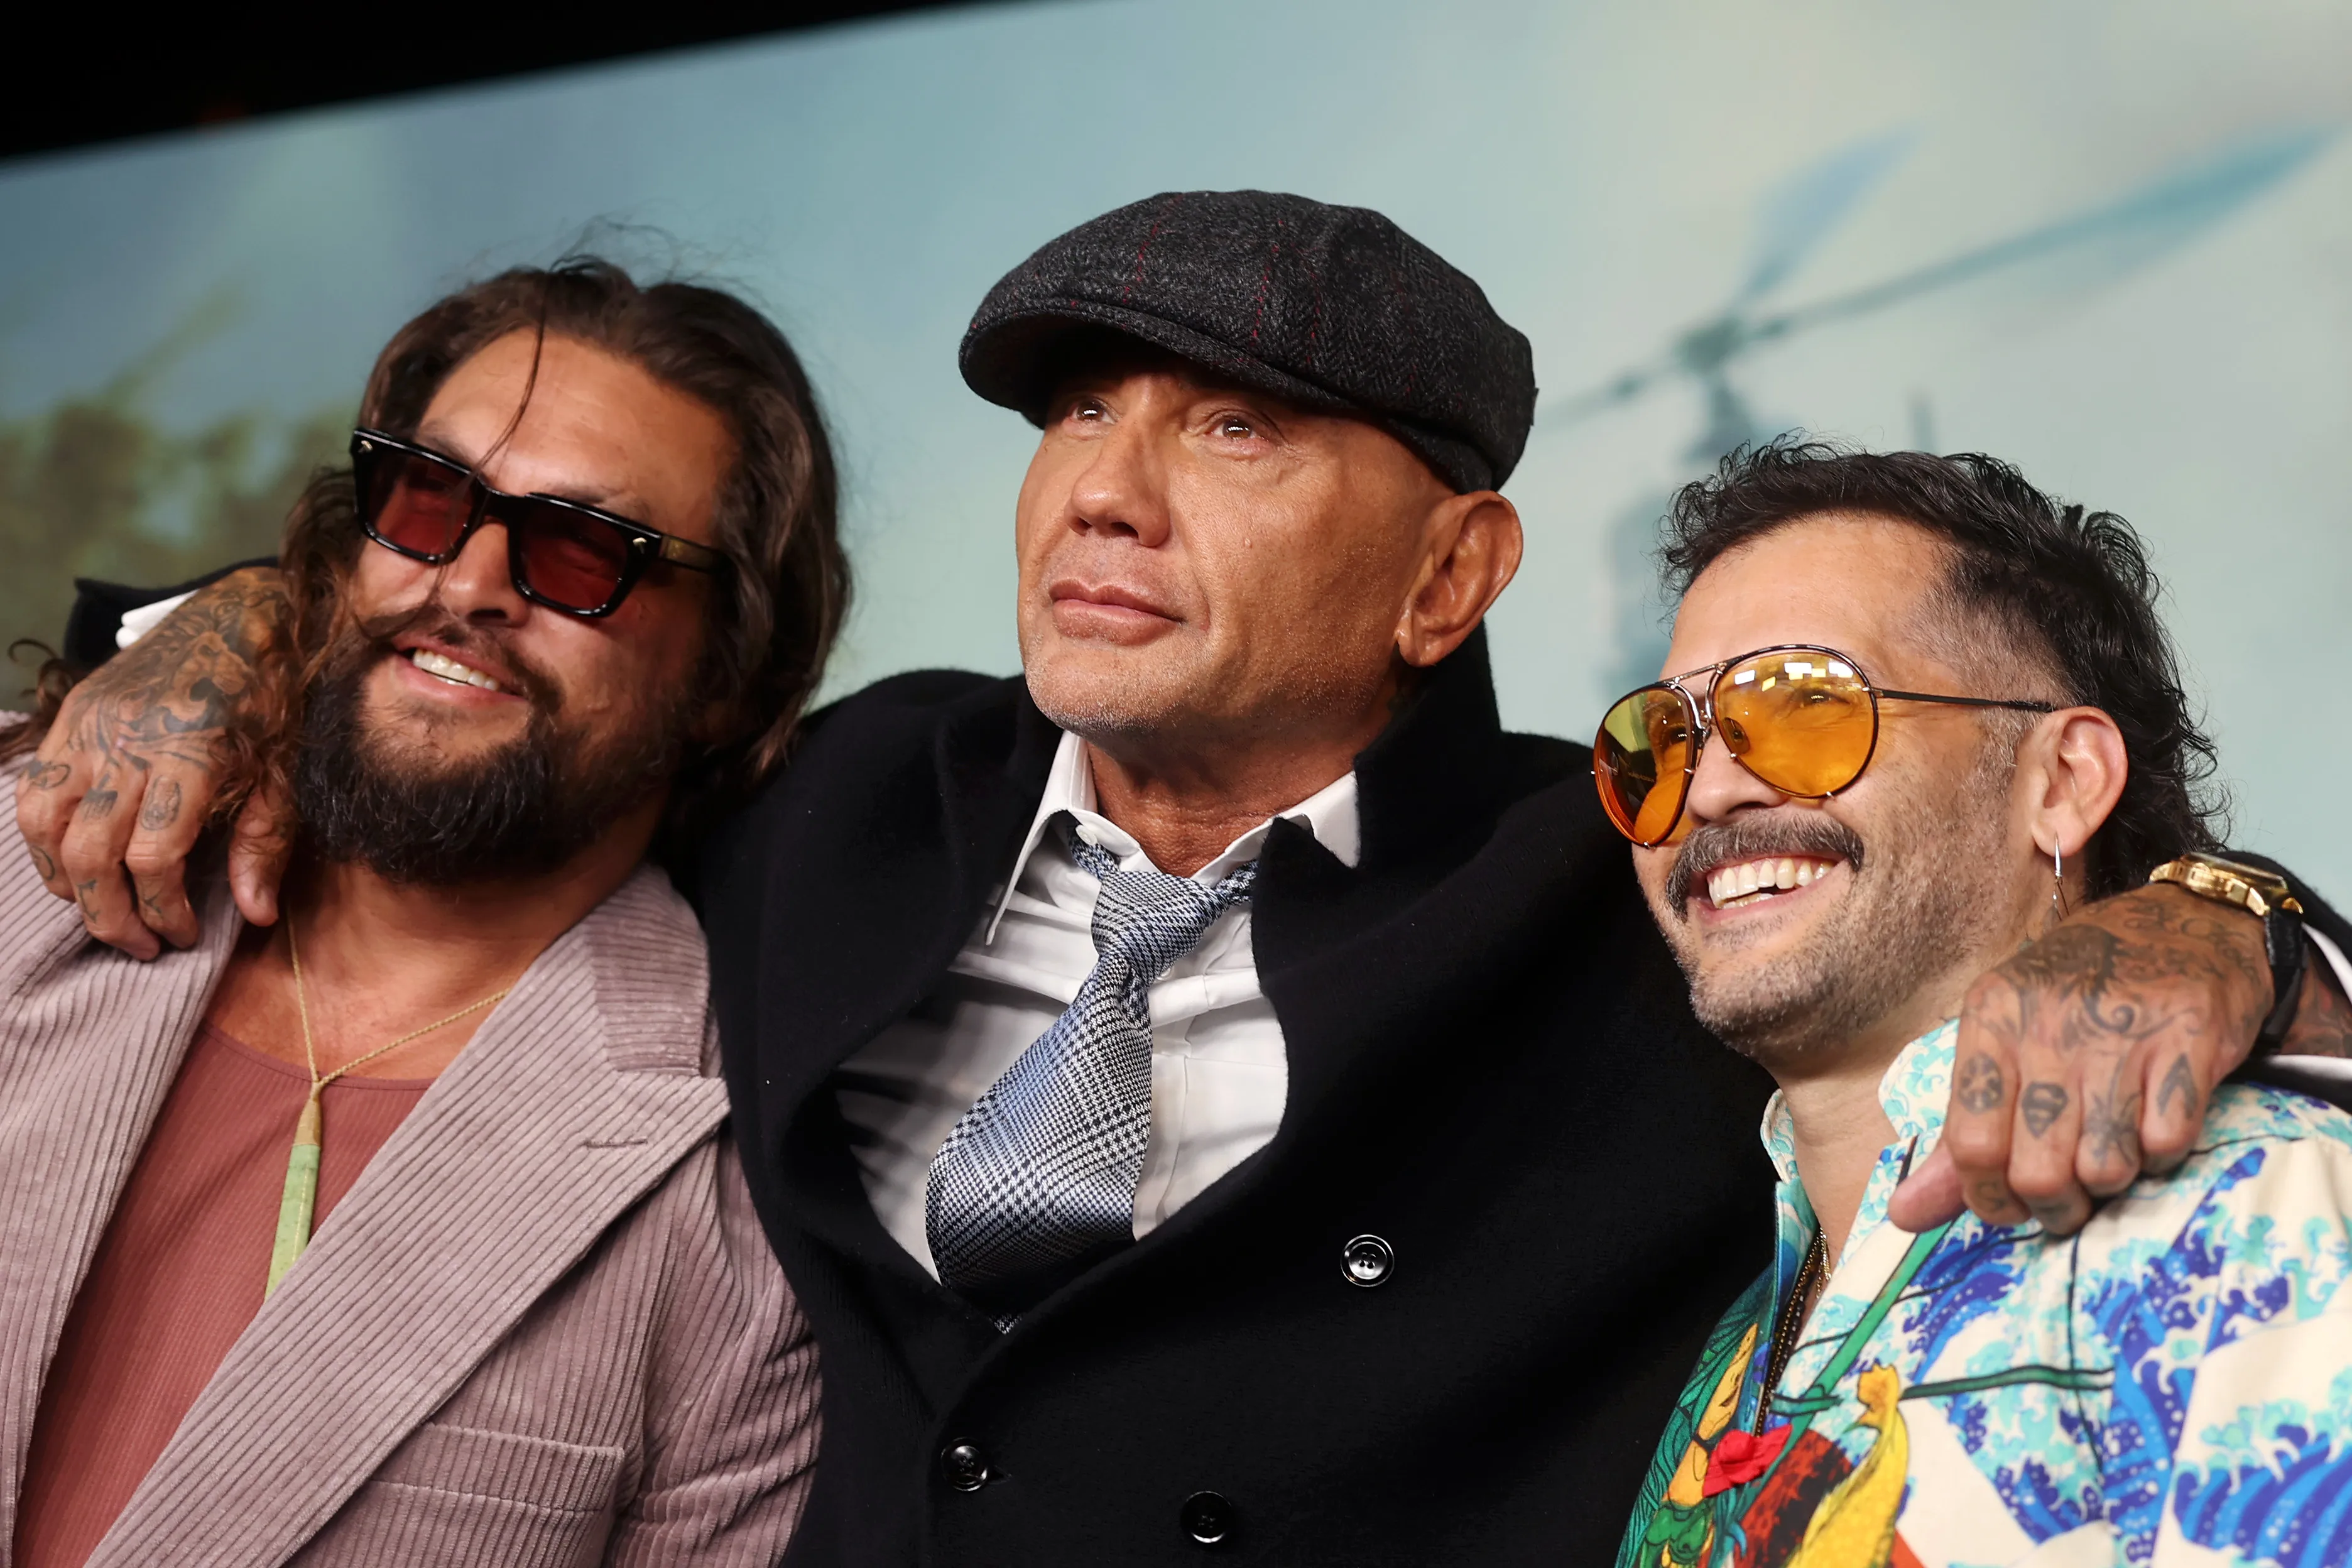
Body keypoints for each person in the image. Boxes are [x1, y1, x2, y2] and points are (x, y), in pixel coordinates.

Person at [25, 194, 2351, 1565]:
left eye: (1233, 427)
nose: (1105, 492)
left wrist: (2224, 920)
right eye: (1077, 414)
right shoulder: (851, 798)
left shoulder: (1629, 857)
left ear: (1452, 574)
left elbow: (1966, 881)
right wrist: (205, 630)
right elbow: (527, 672)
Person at [0, 258, 844, 1566]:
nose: (468, 580)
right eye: (429, 495)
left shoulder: (740, 1202)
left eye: (585, 547)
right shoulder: (42, 831)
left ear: (735, 672)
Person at [1605, 444, 2352, 1567]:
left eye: (1807, 706)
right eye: (1659, 745)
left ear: (2062, 783)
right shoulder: (1736, 1354)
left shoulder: (2247, 1211)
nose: (1704, 793)